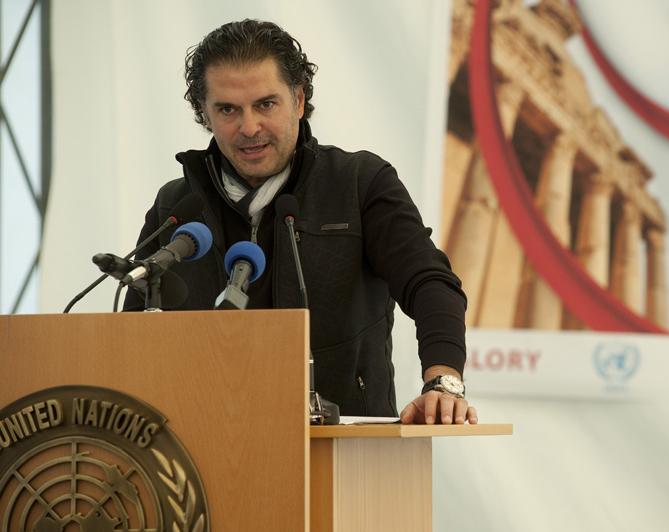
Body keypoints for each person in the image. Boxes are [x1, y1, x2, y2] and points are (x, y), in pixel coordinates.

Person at [124, 19, 477, 425]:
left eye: (265, 104)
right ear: (204, 113)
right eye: (228, 109)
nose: (249, 128)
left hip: (343, 444)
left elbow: (429, 282)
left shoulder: (359, 183)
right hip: (203, 441)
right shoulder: (177, 204)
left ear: (298, 98)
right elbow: (134, 328)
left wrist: (443, 381)